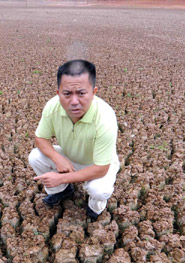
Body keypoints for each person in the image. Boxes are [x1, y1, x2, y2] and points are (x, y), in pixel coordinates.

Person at [28, 59, 120, 221]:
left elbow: (101, 169)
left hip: (97, 164)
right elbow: (41, 138)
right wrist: (58, 159)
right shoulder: (52, 107)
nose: (74, 101)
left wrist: (61, 177)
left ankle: (94, 208)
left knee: (99, 190)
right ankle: (62, 191)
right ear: (58, 93)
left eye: (81, 93)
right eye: (67, 94)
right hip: (70, 157)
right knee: (35, 157)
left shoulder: (105, 118)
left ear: (94, 92)